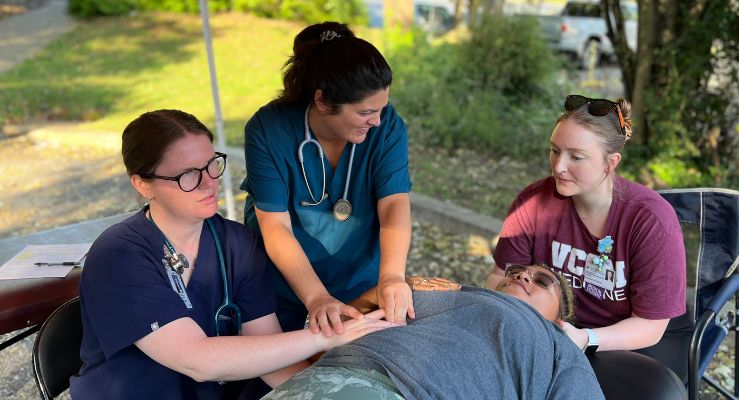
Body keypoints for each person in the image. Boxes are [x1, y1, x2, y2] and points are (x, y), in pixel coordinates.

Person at [70, 110, 395, 399]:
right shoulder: (119, 256)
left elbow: (269, 355)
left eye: (213, 165)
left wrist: (324, 389)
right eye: (188, 175)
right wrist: (324, 338)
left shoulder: (237, 243)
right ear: (142, 184)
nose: (209, 183)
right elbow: (198, 360)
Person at [487, 95, 689, 382]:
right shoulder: (533, 202)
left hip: (635, 339)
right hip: (553, 329)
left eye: (576, 157)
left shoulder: (650, 220)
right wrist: (530, 324)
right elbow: (498, 278)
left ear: (611, 162)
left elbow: (651, 325)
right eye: (555, 151)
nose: (558, 166)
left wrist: (585, 338)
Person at [241, 21, 414, 335]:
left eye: (381, 108)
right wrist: (316, 297)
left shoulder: (387, 126)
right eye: (364, 113)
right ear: (322, 100)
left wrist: (391, 277)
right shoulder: (268, 131)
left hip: (361, 283)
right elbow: (275, 226)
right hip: (286, 289)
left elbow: (394, 205)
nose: (376, 121)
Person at [262, 266, 604, 400]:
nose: (523, 276)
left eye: (542, 280)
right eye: (516, 271)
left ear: (559, 320)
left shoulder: (557, 346)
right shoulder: (449, 291)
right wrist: (402, 284)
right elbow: (340, 320)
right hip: (320, 380)